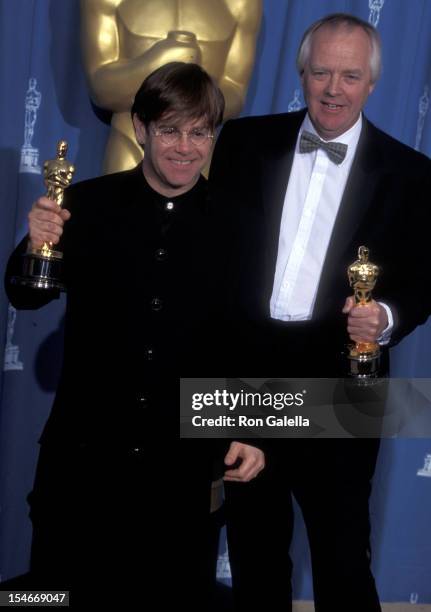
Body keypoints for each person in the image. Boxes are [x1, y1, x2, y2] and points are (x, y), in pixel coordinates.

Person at [5, 62, 264, 609]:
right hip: (81, 470)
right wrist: (35, 246)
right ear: (140, 128)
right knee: (53, 599)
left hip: (183, 478)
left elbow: (249, 336)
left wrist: (252, 427)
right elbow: (26, 295)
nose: (185, 147)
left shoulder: (241, 224)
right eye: (170, 129)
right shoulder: (86, 205)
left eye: (200, 131)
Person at [209, 13, 431, 612]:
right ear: (302, 72)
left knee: (341, 559)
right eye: (322, 72)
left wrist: (384, 316)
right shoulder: (244, 143)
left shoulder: (412, 173)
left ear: (372, 83)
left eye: (350, 75)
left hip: (342, 378)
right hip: (248, 375)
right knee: (253, 551)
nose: (334, 89)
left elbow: (422, 277)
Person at [80, 0, 262, 173]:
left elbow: (235, 92)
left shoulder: (242, 3)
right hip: (131, 143)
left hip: (197, 155)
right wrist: (154, 63)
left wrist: (190, 96)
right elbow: (101, 88)